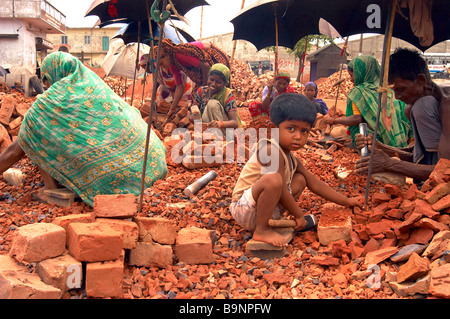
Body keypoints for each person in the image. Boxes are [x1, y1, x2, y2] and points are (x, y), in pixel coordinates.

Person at [0, 52, 168, 206]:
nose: (48, 88)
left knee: (35, 132)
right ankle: (52, 185)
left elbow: (14, 151)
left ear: (54, 74)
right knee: (42, 131)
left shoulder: (47, 105)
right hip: (152, 161)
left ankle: (50, 189)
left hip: (115, 181)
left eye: (47, 81)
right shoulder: (92, 84)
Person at [230, 93, 363, 247]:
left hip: (263, 210)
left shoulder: (291, 159)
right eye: (291, 128)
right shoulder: (269, 150)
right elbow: (279, 189)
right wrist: (299, 215)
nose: (298, 136)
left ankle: (267, 222)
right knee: (274, 179)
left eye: (304, 131)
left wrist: (346, 201)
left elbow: (316, 184)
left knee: (301, 179)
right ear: (273, 129)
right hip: (244, 209)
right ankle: (262, 230)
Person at [355, 48, 448, 182]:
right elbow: (417, 156)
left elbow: (445, 172)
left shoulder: (444, 105)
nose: (397, 97)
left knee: (422, 106)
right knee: (411, 109)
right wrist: (380, 146)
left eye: (401, 89)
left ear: (421, 80)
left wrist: (389, 164)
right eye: (394, 91)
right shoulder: (412, 107)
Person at [324, 55, 412, 149]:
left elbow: (357, 119)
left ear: (361, 73)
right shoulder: (390, 90)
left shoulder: (358, 92)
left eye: (352, 75)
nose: (351, 79)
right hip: (401, 141)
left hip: (374, 144)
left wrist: (334, 120)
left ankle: (359, 146)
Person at [141, 39, 230, 119]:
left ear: (166, 55)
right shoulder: (172, 64)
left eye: (161, 63)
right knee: (198, 97)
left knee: (215, 93)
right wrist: (172, 109)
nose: (162, 67)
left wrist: (204, 87)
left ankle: (226, 119)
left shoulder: (179, 55)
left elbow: (205, 66)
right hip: (205, 68)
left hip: (215, 57)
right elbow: (180, 86)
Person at [192, 63, 241, 132]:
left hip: (224, 131)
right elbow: (194, 110)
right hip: (207, 128)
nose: (213, 84)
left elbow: (234, 123)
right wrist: (193, 116)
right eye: (211, 79)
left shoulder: (228, 96)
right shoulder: (201, 91)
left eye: (218, 82)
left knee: (212, 104)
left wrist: (220, 124)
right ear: (208, 77)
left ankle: (219, 136)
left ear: (225, 84)